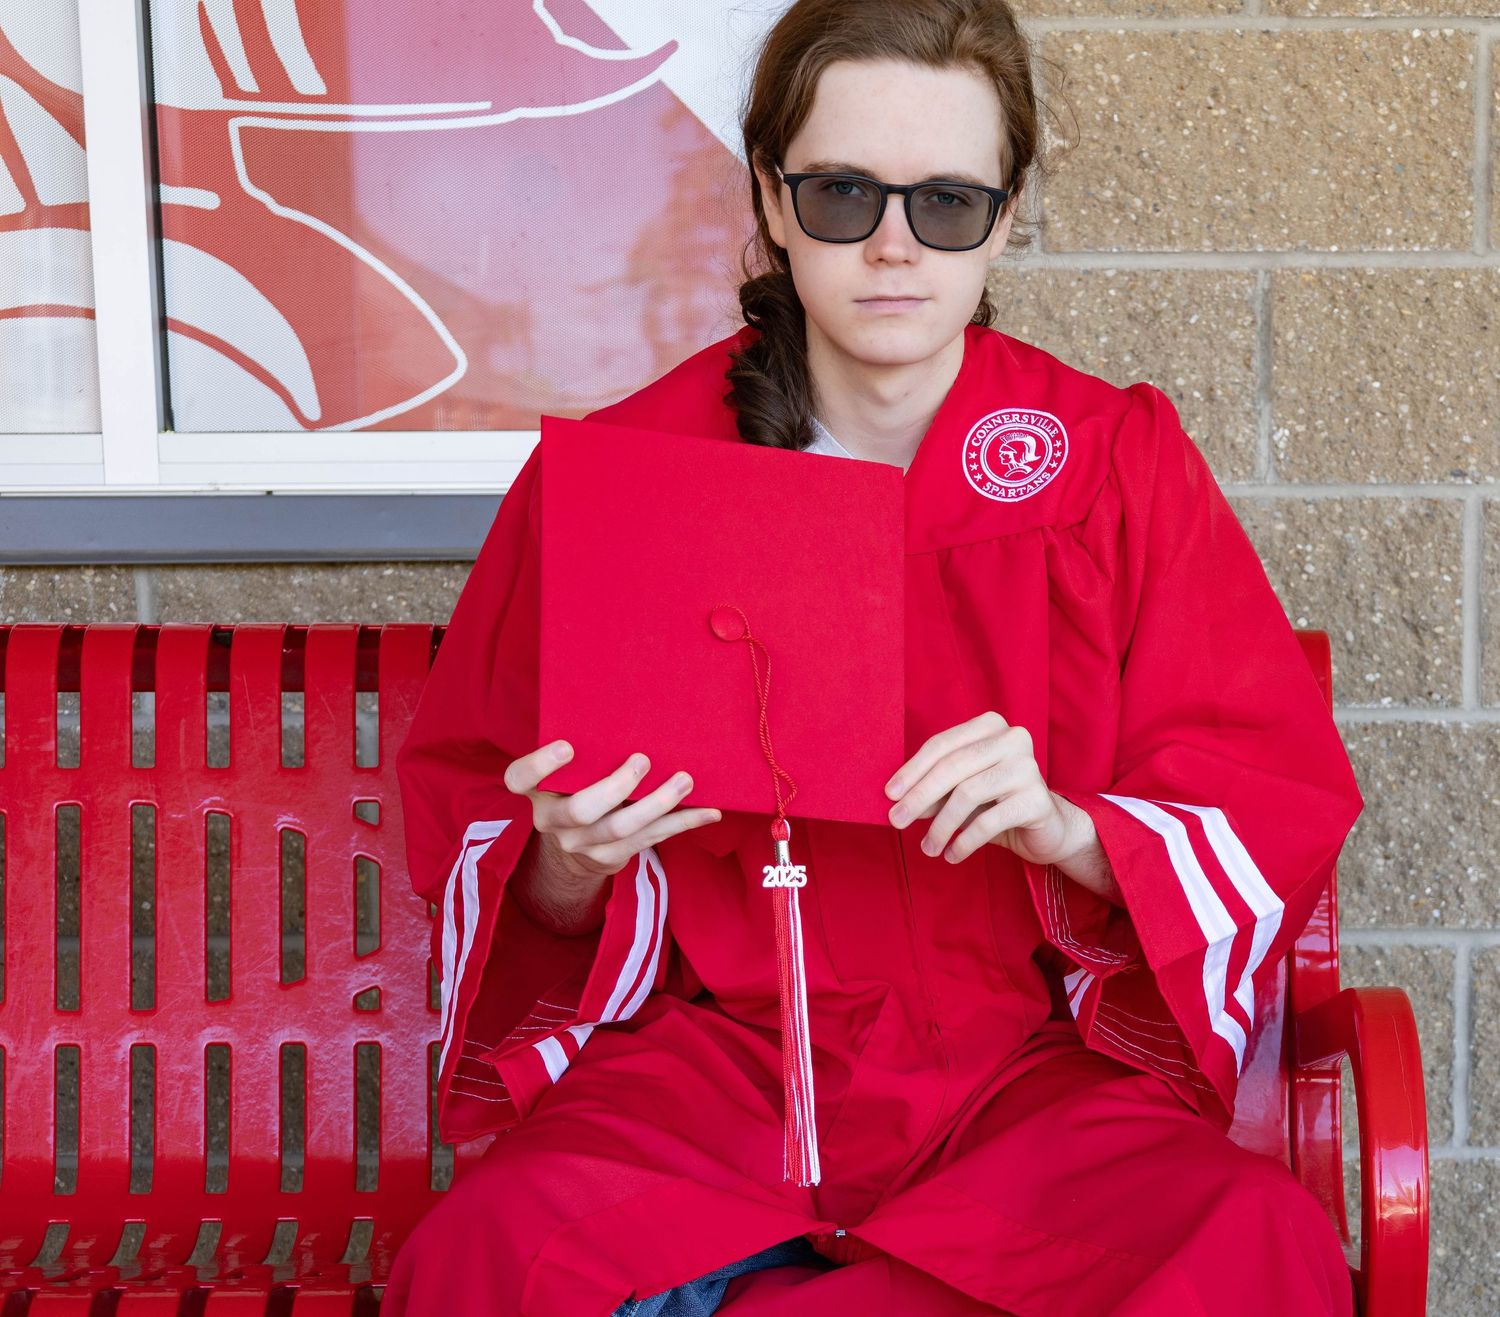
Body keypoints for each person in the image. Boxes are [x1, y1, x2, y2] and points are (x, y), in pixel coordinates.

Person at [383, 1, 1364, 1312]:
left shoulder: (1105, 468)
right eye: (844, 193)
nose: (894, 245)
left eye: (948, 202)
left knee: (1254, 1238)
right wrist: (568, 858)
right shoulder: (630, 482)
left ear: (1006, 218)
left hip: (1022, 1080)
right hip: (711, 1071)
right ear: (773, 203)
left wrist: (1072, 830)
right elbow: (493, 838)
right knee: (489, 1250)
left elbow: (1264, 790)